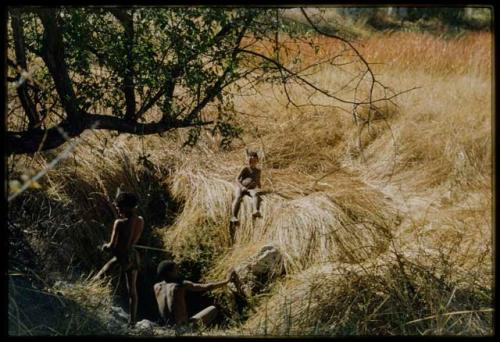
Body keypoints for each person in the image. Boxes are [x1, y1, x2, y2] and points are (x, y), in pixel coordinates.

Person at [93, 191, 144, 327]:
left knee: (100, 276)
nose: (118, 210)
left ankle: (87, 294)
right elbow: (133, 241)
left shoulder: (119, 223)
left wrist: (104, 246)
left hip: (121, 257)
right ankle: (132, 322)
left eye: (119, 208)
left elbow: (111, 245)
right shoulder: (140, 220)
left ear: (126, 207)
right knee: (132, 290)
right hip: (133, 257)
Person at [154, 260, 237, 327]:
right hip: (182, 329)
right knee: (213, 309)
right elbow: (207, 287)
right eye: (176, 269)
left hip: (167, 328)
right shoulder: (180, 285)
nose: (178, 271)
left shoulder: (156, 287)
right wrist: (226, 280)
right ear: (169, 272)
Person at [230, 150, 262, 223]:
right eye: (251, 160)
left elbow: (258, 180)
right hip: (241, 187)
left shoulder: (258, 171)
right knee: (238, 197)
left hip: (250, 189)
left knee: (255, 195)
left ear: (257, 160)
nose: (252, 162)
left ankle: (255, 210)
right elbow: (237, 179)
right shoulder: (245, 168)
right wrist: (242, 187)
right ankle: (233, 216)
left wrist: (259, 186)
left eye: (254, 160)